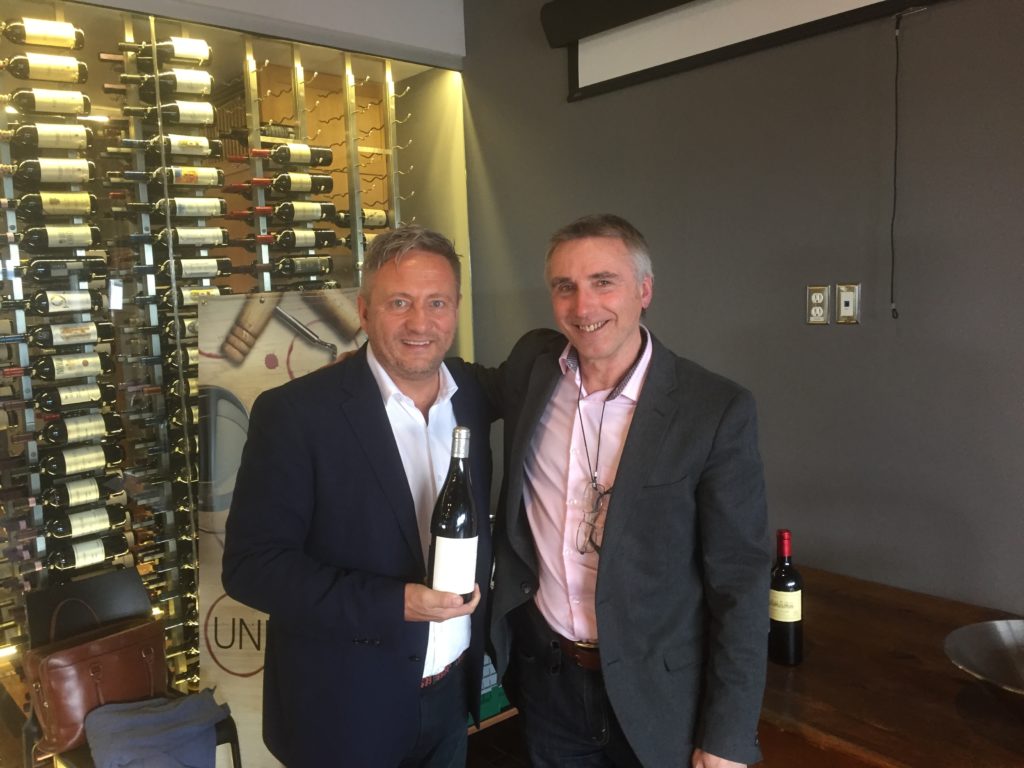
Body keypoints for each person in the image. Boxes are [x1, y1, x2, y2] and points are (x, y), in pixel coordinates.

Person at [483, 214, 769, 767]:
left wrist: (728, 734)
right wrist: (379, 364)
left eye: (603, 282)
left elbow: (739, 579)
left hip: (660, 700)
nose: (583, 306)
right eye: (565, 286)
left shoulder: (713, 409)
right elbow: (463, 381)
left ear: (644, 290)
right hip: (548, 686)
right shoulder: (532, 367)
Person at [222, 225, 493, 767]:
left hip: (449, 703)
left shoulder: (473, 397)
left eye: (437, 302)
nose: (420, 323)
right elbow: (252, 568)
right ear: (365, 311)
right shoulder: (295, 414)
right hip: (341, 713)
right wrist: (396, 603)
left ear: (457, 308)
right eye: (399, 302)